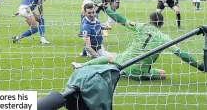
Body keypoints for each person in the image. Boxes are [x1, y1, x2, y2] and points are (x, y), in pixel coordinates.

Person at [71, 5, 205, 80]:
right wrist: (200, 66)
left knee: (110, 57)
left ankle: (82, 66)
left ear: (150, 19)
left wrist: (105, 8)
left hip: (124, 61)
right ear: (162, 23)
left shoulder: (141, 26)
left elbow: (120, 19)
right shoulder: (164, 38)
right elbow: (181, 54)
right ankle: (128, 73)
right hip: (139, 71)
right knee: (163, 74)